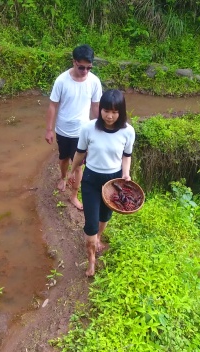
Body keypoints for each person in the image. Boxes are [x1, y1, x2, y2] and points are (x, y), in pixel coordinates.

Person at [68, 89, 135, 277]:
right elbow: (80, 153)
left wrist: (126, 174)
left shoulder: (128, 132)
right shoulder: (89, 128)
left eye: (115, 112)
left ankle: (98, 239)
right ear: (100, 110)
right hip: (91, 180)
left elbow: (126, 156)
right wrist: (72, 171)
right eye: (106, 111)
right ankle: (91, 261)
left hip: (113, 181)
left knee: (104, 217)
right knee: (90, 223)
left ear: (121, 112)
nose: (110, 116)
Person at [45, 44, 103, 210]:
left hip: (82, 132)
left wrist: (101, 128)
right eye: (81, 67)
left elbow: (95, 107)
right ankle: (62, 177)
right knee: (63, 159)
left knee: (78, 165)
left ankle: (74, 195)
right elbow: (52, 106)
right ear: (74, 62)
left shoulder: (94, 82)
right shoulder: (62, 80)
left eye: (89, 68)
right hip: (63, 130)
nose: (85, 71)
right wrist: (49, 129)